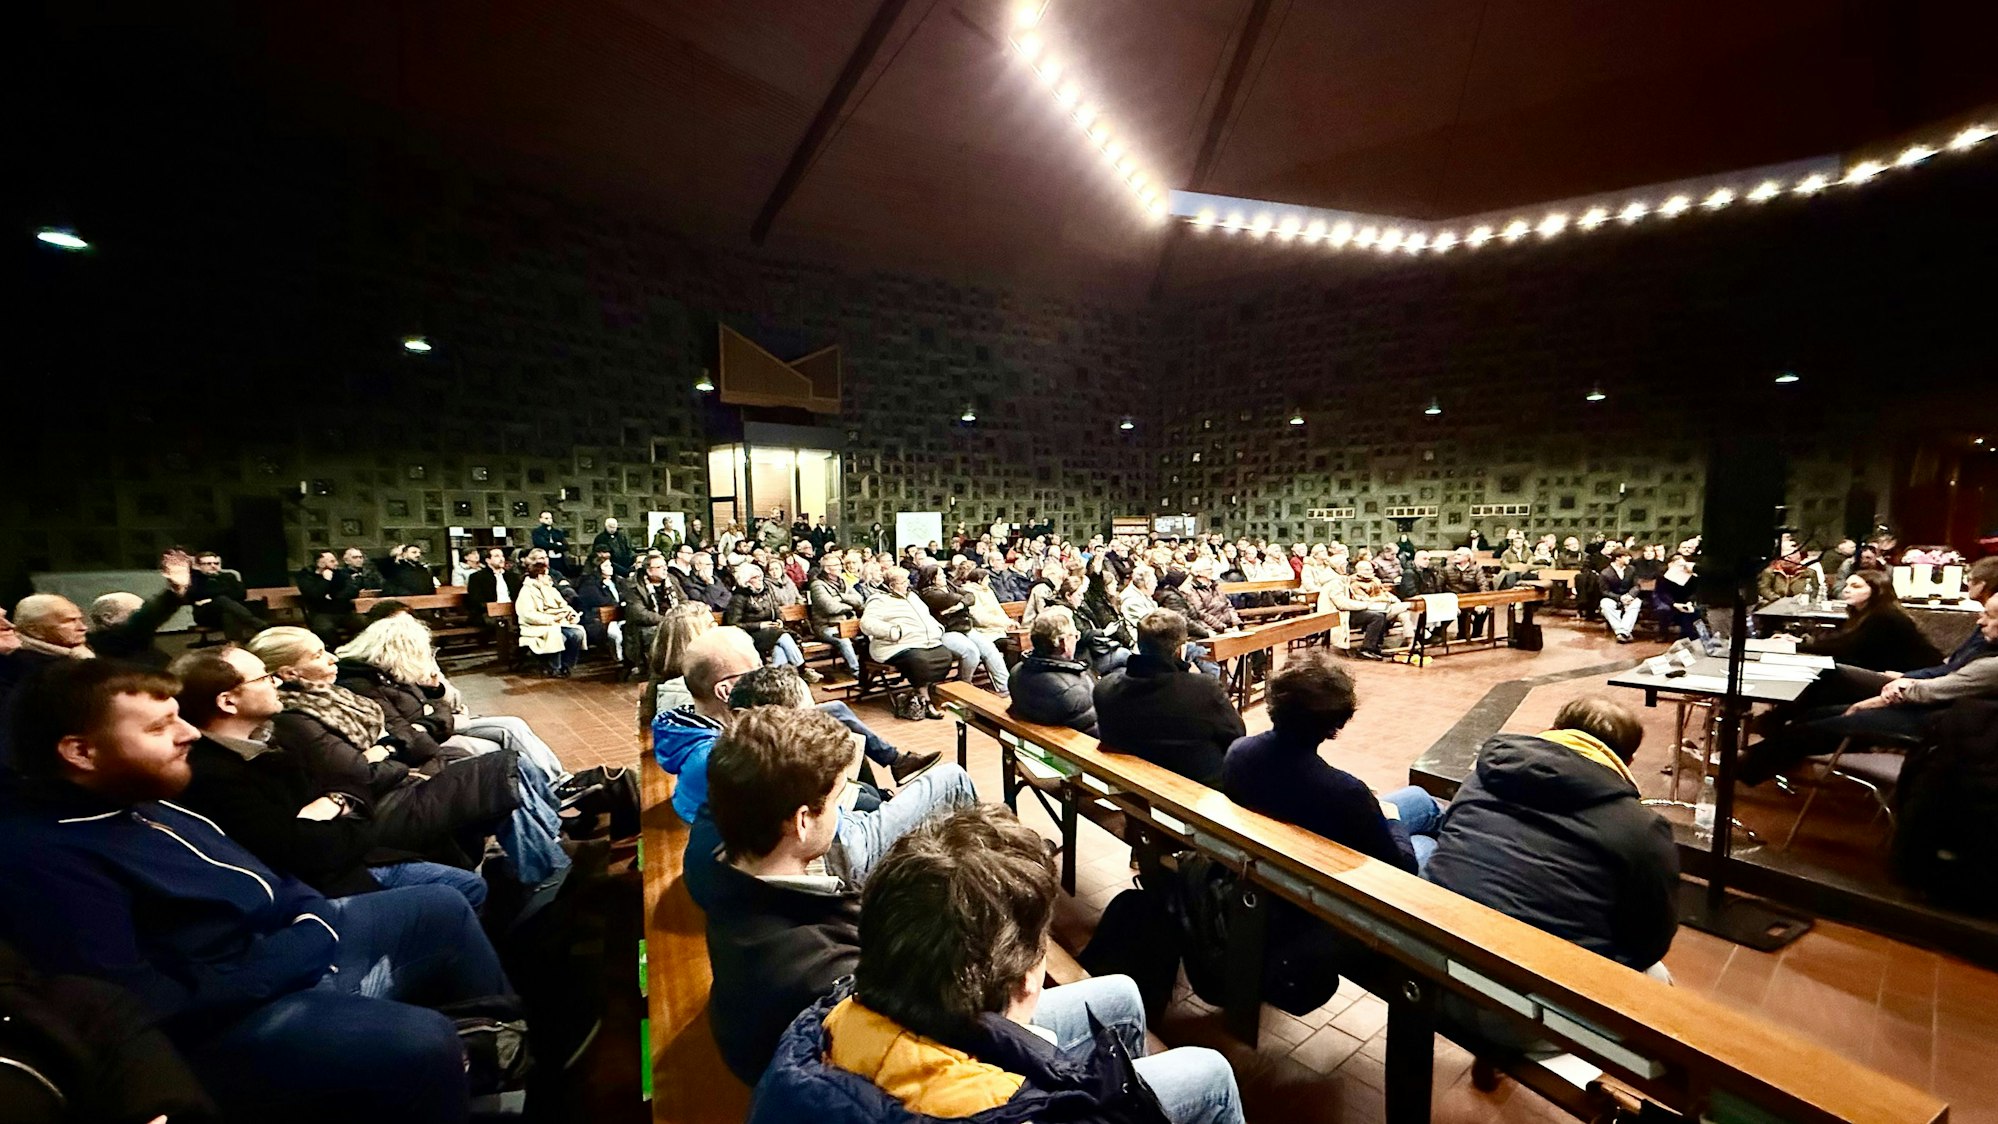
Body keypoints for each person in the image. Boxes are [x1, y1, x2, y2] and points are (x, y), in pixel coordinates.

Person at [0, 660, 510, 1123]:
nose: (187, 735)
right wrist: (302, 946)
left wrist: (309, 922)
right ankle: (447, 1071)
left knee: (439, 905)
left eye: (179, 716)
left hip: (287, 948)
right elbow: (137, 1003)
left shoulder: (145, 800)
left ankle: (501, 1045)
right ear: (80, 751)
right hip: (225, 1026)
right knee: (417, 1043)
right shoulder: (42, 856)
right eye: (159, 727)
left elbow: (277, 880)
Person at [750, 804, 1245, 1124]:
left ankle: (1121, 1092)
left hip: (898, 1041)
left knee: (1118, 993)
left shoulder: (826, 1020)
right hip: (971, 1095)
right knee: (1209, 1070)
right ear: (1026, 981)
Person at [246, 626, 573, 904]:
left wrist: (386, 748)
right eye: (317, 655)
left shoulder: (332, 698)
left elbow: (412, 727)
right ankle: (548, 874)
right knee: (499, 775)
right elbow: (361, 774)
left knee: (504, 768)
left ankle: (550, 854)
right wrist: (391, 752)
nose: (332, 657)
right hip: (379, 809)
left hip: (400, 786)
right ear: (289, 673)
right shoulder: (297, 718)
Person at [168, 646, 487, 905]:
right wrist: (342, 806)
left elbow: (344, 785)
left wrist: (331, 803)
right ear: (228, 701)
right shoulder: (216, 775)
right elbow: (308, 850)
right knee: (462, 892)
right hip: (328, 887)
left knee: (486, 783)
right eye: (265, 677)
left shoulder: (268, 738)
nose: (276, 683)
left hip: (357, 846)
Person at [1425, 696, 1678, 975]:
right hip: (1546, 986)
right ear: (1628, 760)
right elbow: (1650, 943)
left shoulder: (1486, 773)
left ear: (1554, 730)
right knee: (1656, 974)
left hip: (1437, 942)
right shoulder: (1642, 828)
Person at [1741, 587, 1998, 786]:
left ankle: (1739, 771)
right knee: (1814, 715)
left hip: (1929, 723)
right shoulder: (1987, 648)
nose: (1979, 622)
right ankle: (1764, 752)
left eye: (1989, 616)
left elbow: (1936, 690)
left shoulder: (1992, 665)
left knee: (1815, 724)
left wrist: (1890, 692)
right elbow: (1946, 671)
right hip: (1924, 706)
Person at [1223, 650, 1441, 872]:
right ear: (1337, 722)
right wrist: (1392, 819)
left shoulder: (1238, 753)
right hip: (1333, 882)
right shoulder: (1346, 792)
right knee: (1429, 844)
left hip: (1277, 857)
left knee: (1419, 798)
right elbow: (1402, 867)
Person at [1094, 610, 1243, 787]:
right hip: (1197, 791)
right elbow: (1237, 734)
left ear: (1140, 645)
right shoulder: (1203, 689)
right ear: (1180, 649)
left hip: (1132, 785)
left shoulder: (1105, 688)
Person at [1789, 570, 1942, 673]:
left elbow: (1847, 647)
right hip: (1888, 670)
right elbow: (1844, 640)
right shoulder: (1865, 614)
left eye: (1856, 586)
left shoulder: (1884, 616)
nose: (1846, 590)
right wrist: (1802, 642)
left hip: (1911, 676)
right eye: (1847, 585)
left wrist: (1795, 647)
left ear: (1875, 590)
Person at [860, 567, 959, 721]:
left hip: (924, 641)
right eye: (902, 582)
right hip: (896, 645)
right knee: (919, 661)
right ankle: (925, 701)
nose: (907, 584)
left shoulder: (912, 596)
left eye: (907, 580)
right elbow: (867, 623)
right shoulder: (879, 600)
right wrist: (892, 631)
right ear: (891, 585)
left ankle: (922, 692)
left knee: (945, 655)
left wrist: (937, 628)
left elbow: (925, 616)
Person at [919, 563, 1009, 696]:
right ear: (932, 579)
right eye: (940, 574)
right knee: (971, 651)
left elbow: (970, 596)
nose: (944, 576)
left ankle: (1004, 687)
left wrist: (960, 605)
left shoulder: (949, 586)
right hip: (947, 631)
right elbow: (951, 598)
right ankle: (964, 685)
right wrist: (961, 601)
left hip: (965, 627)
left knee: (989, 648)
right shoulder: (929, 594)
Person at [1008, 607, 1098, 736]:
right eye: (1075, 636)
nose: (1076, 640)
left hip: (1035, 743)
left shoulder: (1016, 672)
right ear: (1063, 643)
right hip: (1071, 750)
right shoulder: (1074, 690)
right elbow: (1095, 731)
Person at [727, 562, 812, 675]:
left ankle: (776, 676)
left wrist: (779, 621)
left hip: (771, 632)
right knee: (783, 636)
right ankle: (802, 668)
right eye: (755, 577)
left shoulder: (766, 593)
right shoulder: (739, 598)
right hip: (751, 635)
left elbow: (778, 612)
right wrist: (760, 625)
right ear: (746, 580)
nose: (760, 580)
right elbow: (733, 624)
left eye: (760, 577)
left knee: (779, 647)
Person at [517, 559, 587, 677]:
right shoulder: (526, 591)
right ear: (539, 576)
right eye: (546, 574)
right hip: (537, 626)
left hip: (558, 623)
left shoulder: (551, 589)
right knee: (558, 636)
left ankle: (567, 664)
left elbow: (564, 605)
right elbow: (527, 614)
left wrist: (571, 614)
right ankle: (555, 667)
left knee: (577, 633)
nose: (549, 577)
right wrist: (551, 619)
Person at [622, 553, 683, 679]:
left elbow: (683, 600)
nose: (665, 569)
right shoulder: (634, 585)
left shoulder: (671, 580)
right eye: (660, 567)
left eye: (665, 565)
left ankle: (681, 668)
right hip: (645, 626)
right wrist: (666, 620)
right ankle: (658, 672)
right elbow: (639, 614)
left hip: (673, 620)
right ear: (649, 571)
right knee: (657, 633)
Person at [189, 550, 264, 642]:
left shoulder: (229, 576)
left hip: (228, 612)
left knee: (227, 612)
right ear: (198, 566)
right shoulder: (194, 579)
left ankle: (235, 645)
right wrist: (222, 594)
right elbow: (194, 594)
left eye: (216, 563)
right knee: (222, 600)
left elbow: (241, 594)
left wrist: (211, 597)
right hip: (206, 615)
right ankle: (261, 627)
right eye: (208, 564)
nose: (213, 566)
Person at [295, 549, 360, 645]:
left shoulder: (340, 574)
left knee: (365, 624)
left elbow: (352, 590)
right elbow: (314, 594)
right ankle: (336, 650)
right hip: (320, 613)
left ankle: (354, 648)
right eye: (332, 561)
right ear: (320, 564)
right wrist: (326, 580)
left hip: (343, 611)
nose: (337, 563)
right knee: (324, 629)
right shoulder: (306, 576)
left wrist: (334, 596)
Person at [574, 555, 628, 663]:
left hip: (619, 614)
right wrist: (619, 604)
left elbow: (625, 596)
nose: (611, 568)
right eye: (606, 566)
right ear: (598, 568)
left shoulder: (617, 581)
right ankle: (619, 658)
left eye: (611, 565)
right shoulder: (589, 584)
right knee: (615, 632)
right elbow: (600, 601)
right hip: (598, 618)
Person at [465, 545, 522, 633]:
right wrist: (496, 608)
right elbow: (476, 600)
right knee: (503, 623)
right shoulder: (477, 577)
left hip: (512, 611)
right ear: (488, 560)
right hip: (488, 613)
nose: (501, 559)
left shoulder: (513, 577)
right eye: (497, 556)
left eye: (502, 556)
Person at [1441, 547, 1493, 640]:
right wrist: (1448, 604)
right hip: (1453, 599)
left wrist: (1482, 602)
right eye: (1455, 554)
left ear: (1467, 557)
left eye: (1459, 554)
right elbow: (1439, 586)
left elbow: (1483, 585)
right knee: (1461, 614)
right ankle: (1461, 635)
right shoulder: (1447, 569)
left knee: (1483, 611)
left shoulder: (1476, 569)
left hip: (1471, 599)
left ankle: (1476, 634)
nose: (1455, 556)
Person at [1650, 553, 1701, 639]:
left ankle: (1686, 635)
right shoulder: (1663, 575)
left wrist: (1689, 602)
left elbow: (1694, 592)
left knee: (1692, 611)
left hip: (1684, 601)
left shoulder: (1691, 576)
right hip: (1666, 600)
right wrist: (1673, 604)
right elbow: (1662, 593)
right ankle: (1663, 633)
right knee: (1664, 609)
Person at [1597, 547, 1642, 643]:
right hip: (1613, 597)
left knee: (1636, 602)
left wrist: (1630, 595)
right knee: (1605, 604)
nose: (1629, 558)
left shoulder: (1632, 569)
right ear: (1618, 558)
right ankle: (1623, 632)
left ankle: (1622, 632)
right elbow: (1604, 591)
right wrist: (1620, 598)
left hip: (1629, 597)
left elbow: (1636, 586)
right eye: (1626, 556)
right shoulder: (1605, 573)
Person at [1757, 544, 1823, 607]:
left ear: (1799, 559)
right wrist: (1777, 599)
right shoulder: (1771, 572)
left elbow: (1816, 590)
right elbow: (1764, 589)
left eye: (1790, 558)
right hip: (1775, 603)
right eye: (1784, 558)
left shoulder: (1810, 573)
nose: (1786, 560)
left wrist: (1805, 599)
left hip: (1801, 604)